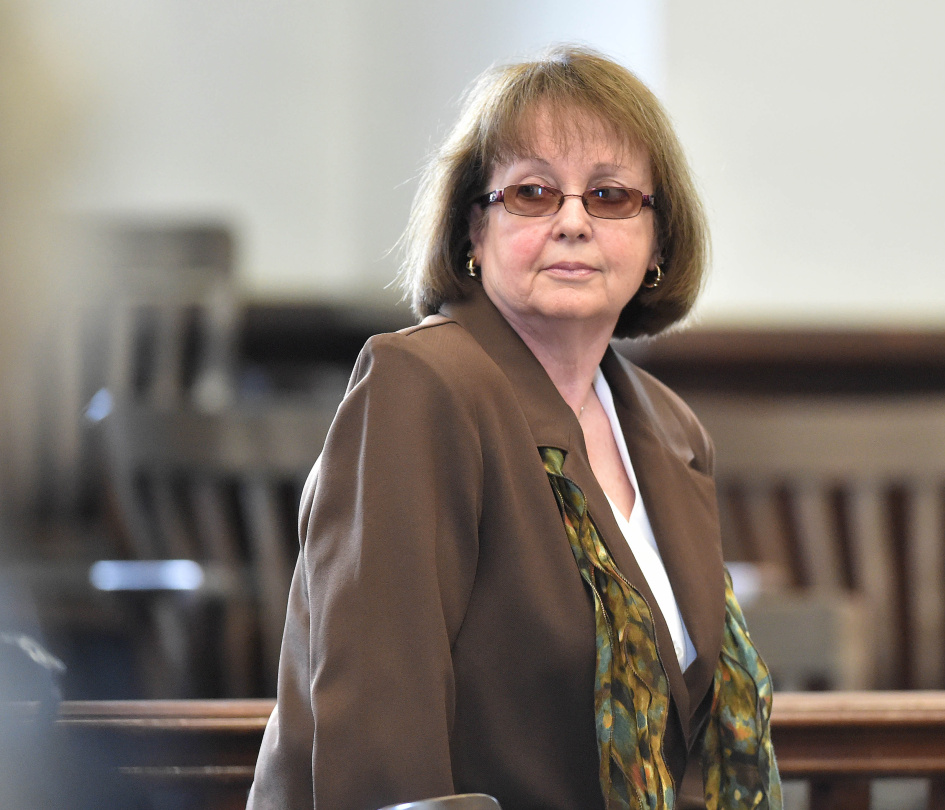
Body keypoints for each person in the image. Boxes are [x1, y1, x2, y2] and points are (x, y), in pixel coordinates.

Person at [248, 45, 781, 810]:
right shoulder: (422, 387)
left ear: (659, 241)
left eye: (610, 195)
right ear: (474, 228)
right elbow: (380, 735)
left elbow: (687, 738)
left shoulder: (669, 428)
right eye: (532, 193)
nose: (572, 222)